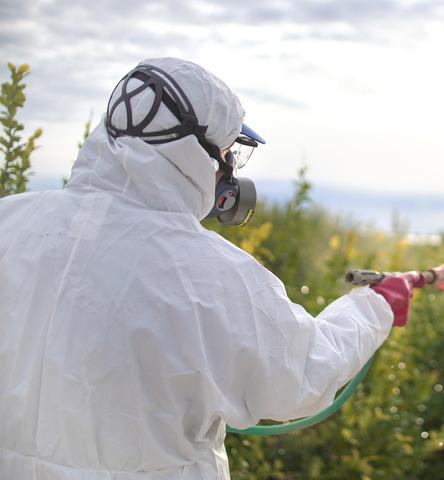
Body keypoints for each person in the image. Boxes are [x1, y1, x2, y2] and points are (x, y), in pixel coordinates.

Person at [0, 57, 412, 480]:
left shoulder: (9, 223)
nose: (227, 168)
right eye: (227, 152)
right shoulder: (209, 272)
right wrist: (374, 306)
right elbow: (305, 374)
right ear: (193, 153)